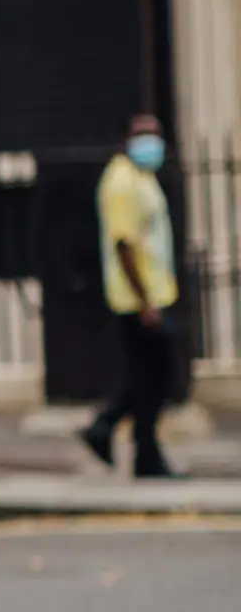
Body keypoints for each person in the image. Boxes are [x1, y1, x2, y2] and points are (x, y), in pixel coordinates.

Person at [78, 114, 182, 479]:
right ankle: (127, 442)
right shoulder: (121, 182)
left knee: (149, 378)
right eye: (142, 135)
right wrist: (145, 301)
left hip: (153, 294)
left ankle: (119, 437)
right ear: (125, 139)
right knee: (152, 379)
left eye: (155, 134)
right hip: (138, 300)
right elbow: (123, 245)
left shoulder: (140, 177)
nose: (151, 142)